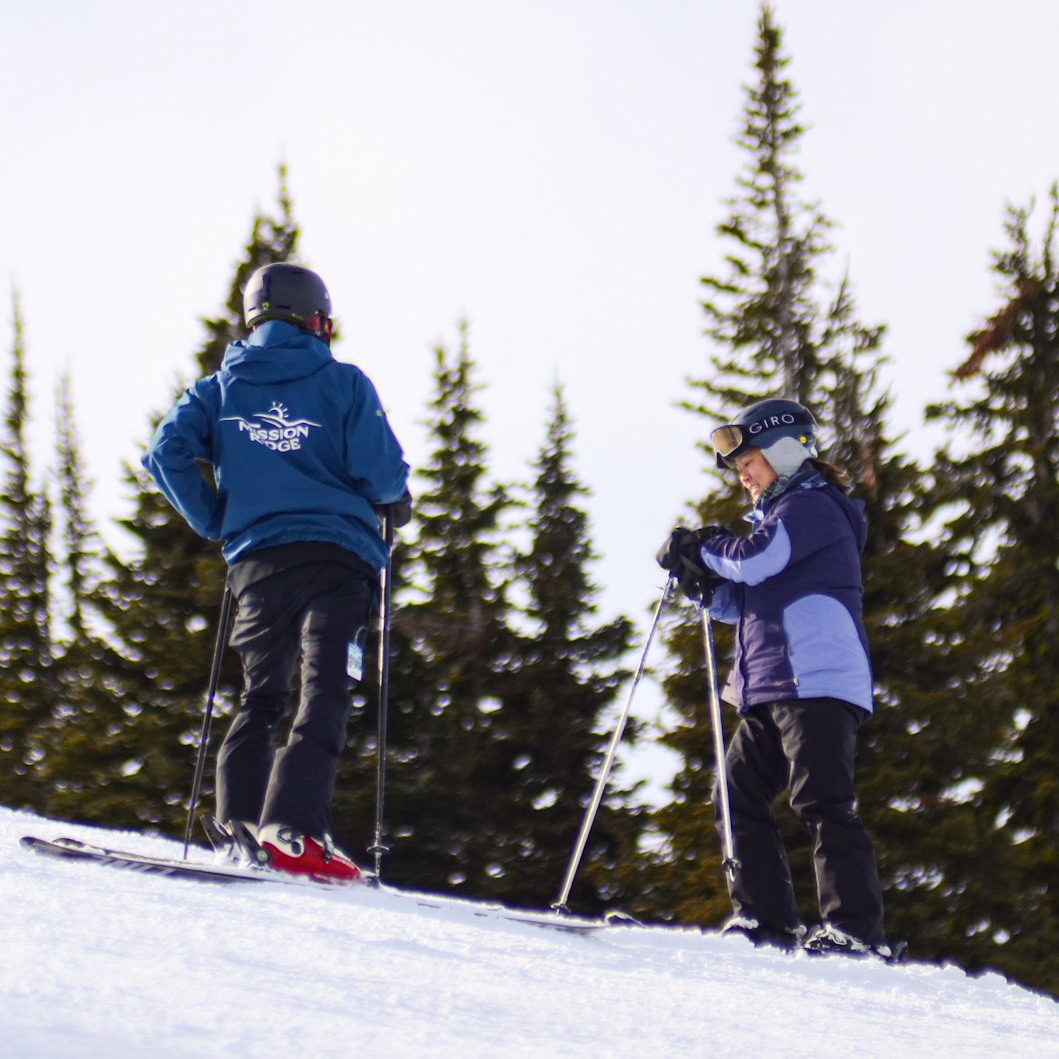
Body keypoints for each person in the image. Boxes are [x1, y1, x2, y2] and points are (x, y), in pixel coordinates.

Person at [144, 262, 410, 881]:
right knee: (324, 689)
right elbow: (381, 472)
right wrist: (395, 496)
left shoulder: (218, 388)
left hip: (258, 565)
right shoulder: (343, 382)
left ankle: (238, 826)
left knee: (260, 696)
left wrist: (215, 518)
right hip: (338, 560)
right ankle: (293, 829)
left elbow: (165, 452)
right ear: (317, 318)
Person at [656, 397, 889, 957]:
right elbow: (745, 598)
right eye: (738, 470)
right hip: (768, 686)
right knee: (735, 797)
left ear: (785, 453)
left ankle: (854, 929)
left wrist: (703, 545)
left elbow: (757, 558)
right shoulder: (775, 519)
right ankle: (765, 921)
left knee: (821, 801)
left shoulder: (813, 509)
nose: (743, 478)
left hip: (819, 681)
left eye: (749, 463)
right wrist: (704, 588)